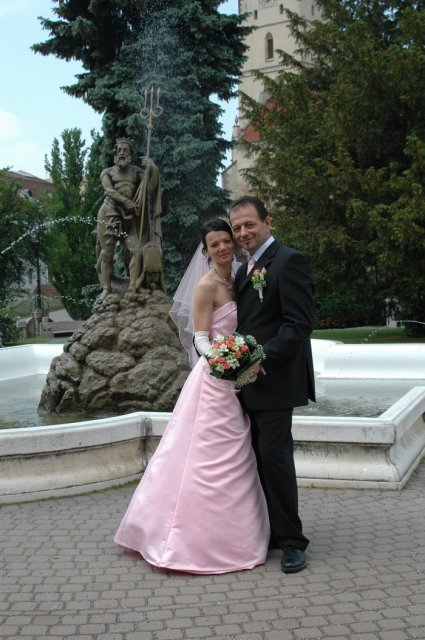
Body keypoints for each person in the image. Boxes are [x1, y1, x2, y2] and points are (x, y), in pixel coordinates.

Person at [114, 218, 270, 574]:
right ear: (206, 251)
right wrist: (224, 362)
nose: (223, 248)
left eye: (226, 241)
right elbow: (200, 338)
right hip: (215, 380)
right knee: (204, 457)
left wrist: (244, 361)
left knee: (238, 456)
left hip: (238, 377)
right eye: (215, 244)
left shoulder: (243, 277)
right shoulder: (206, 286)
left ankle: (241, 535)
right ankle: (184, 540)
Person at [229, 196, 315, 574]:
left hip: (275, 379)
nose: (243, 233)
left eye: (249, 224)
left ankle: (293, 542)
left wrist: (262, 358)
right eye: (237, 228)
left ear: (268, 222)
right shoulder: (243, 270)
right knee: (258, 458)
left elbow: (299, 324)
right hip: (248, 381)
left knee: (275, 457)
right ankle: (273, 532)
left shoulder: (288, 261)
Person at [96, 137, 163, 299]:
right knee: (107, 253)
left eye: (125, 150)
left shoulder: (137, 172)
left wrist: (153, 169)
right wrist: (126, 201)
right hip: (109, 212)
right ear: (115, 153)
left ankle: (133, 287)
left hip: (129, 217)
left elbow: (150, 188)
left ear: (131, 154)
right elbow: (109, 191)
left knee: (138, 251)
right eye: (119, 150)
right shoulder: (107, 172)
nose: (121, 153)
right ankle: (106, 288)